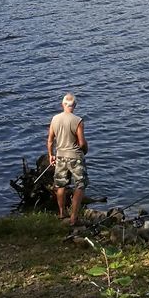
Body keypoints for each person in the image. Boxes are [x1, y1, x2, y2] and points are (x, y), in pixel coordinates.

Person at [46, 93, 88, 225]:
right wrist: (85, 150)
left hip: (60, 156)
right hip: (75, 156)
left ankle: (61, 213)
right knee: (80, 185)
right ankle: (74, 218)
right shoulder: (78, 121)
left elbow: (50, 141)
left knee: (60, 185)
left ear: (63, 104)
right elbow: (81, 143)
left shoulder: (54, 119)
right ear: (74, 105)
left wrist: (51, 155)